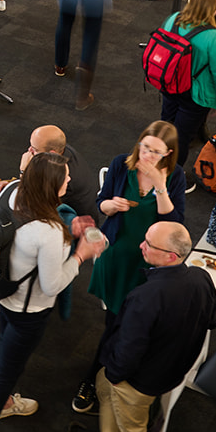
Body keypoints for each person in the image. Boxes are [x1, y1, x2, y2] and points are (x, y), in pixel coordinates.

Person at [0, 152, 106, 432]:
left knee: (5, 349)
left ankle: (3, 404)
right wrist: (81, 253)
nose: (69, 180)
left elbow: (25, 245)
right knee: (5, 372)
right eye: (64, 178)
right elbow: (52, 285)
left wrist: (70, 232)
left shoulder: (14, 190)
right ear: (51, 187)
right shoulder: (47, 232)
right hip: (30, 310)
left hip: (3, 291)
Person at [92, 222, 216, 432]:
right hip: (174, 371)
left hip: (139, 381)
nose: (141, 245)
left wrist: (115, 374)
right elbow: (214, 318)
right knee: (105, 391)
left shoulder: (145, 297)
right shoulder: (200, 278)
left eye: (149, 244)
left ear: (170, 256)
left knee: (133, 431)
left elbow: (129, 350)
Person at [72, 121, 187, 417]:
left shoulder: (174, 177)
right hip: (117, 257)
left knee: (126, 324)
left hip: (148, 262)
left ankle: (107, 374)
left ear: (168, 153)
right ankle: (94, 379)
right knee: (116, 323)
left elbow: (176, 227)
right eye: (145, 147)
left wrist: (160, 188)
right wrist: (111, 205)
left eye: (155, 151)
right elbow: (101, 205)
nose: (147, 154)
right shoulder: (121, 165)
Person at [157, 0, 216, 165]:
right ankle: (173, 177)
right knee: (182, 137)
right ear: (214, 9)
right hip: (195, 94)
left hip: (169, 84)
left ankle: (157, 163)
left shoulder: (173, 19)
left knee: (165, 127)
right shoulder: (215, 37)